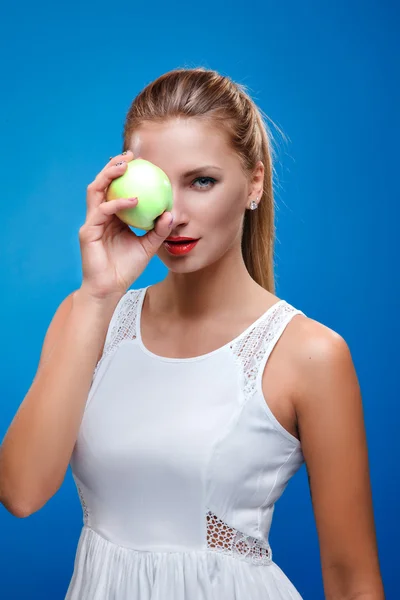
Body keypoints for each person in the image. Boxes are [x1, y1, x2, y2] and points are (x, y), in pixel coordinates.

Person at [0, 67, 384, 600]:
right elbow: (20, 492)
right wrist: (95, 296)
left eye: (202, 181)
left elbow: (352, 578)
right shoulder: (89, 316)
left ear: (254, 182)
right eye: (155, 183)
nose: (173, 215)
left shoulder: (309, 355)